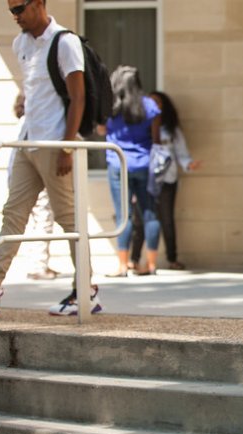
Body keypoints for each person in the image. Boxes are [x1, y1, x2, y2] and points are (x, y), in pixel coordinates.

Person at [0, 0, 100, 316]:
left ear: (39, 4)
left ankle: (85, 291)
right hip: (27, 141)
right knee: (13, 213)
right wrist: (22, 99)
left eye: (20, 8)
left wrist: (67, 147)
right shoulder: (20, 42)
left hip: (55, 143)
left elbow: (77, 97)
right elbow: (35, 87)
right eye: (11, 10)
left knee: (69, 219)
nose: (15, 16)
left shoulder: (65, 42)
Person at [128, 91, 201, 271]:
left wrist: (190, 165)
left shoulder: (171, 130)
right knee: (140, 219)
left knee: (166, 219)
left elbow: (182, 154)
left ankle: (171, 259)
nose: (154, 107)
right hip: (145, 179)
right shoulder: (140, 127)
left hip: (167, 178)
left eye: (157, 103)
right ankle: (134, 259)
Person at [104, 65, 161, 277]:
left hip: (118, 163)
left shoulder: (111, 107)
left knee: (123, 215)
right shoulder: (149, 106)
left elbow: (101, 129)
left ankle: (122, 265)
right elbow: (156, 139)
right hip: (144, 163)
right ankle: (151, 264)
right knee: (150, 213)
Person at [9, 92, 59, 281]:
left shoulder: (19, 125)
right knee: (43, 219)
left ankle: (36, 264)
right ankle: (39, 266)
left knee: (30, 222)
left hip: (19, 179)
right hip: (34, 179)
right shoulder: (32, 125)